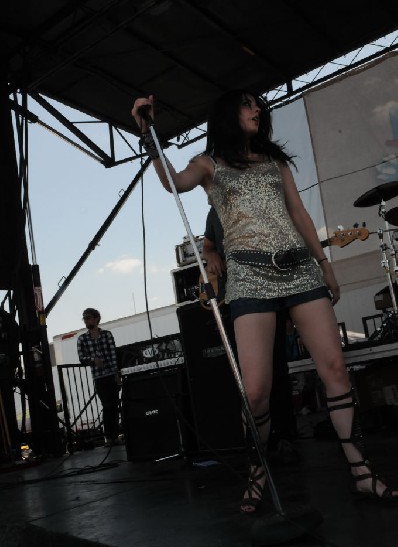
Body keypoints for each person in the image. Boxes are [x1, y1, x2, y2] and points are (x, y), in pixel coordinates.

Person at [131, 90, 398, 511]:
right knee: (255, 391)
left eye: (259, 105)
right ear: (226, 113)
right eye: (248, 104)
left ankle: (361, 472)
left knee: (334, 368)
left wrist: (325, 266)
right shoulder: (208, 164)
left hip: (300, 270)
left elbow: (299, 214)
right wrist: (148, 133)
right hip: (250, 277)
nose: (258, 109)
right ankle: (258, 469)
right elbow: (173, 183)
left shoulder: (276, 162)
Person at [203, 206, 298, 468]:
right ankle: (256, 445)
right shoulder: (215, 211)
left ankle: (286, 437)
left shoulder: (255, 199)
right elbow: (208, 245)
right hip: (235, 300)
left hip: (268, 295)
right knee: (245, 377)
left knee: (276, 369)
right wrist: (211, 256)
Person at [77, 308, 122, 447]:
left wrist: (117, 374)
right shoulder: (82, 339)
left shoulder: (107, 335)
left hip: (111, 375)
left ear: (96, 318)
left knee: (114, 406)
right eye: (84, 318)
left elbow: (114, 355)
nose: (86, 320)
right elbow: (81, 358)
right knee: (107, 406)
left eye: (88, 317)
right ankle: (110, 437)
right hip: (99, 377)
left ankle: (114, 436)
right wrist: (92, 360)